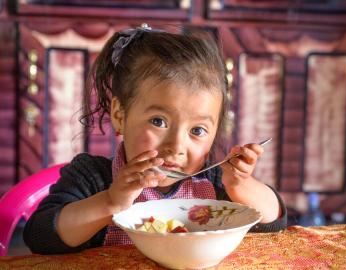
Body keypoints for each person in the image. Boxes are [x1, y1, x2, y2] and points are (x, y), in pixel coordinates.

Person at [23, 25, 287, 254]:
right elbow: (40, 237)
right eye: (159, 122)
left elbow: (273, 223)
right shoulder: (93, 177)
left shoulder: (214, 182)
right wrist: (110, 202)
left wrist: (241, 184)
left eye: (197, 131)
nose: (176, 146)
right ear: (119, 115)